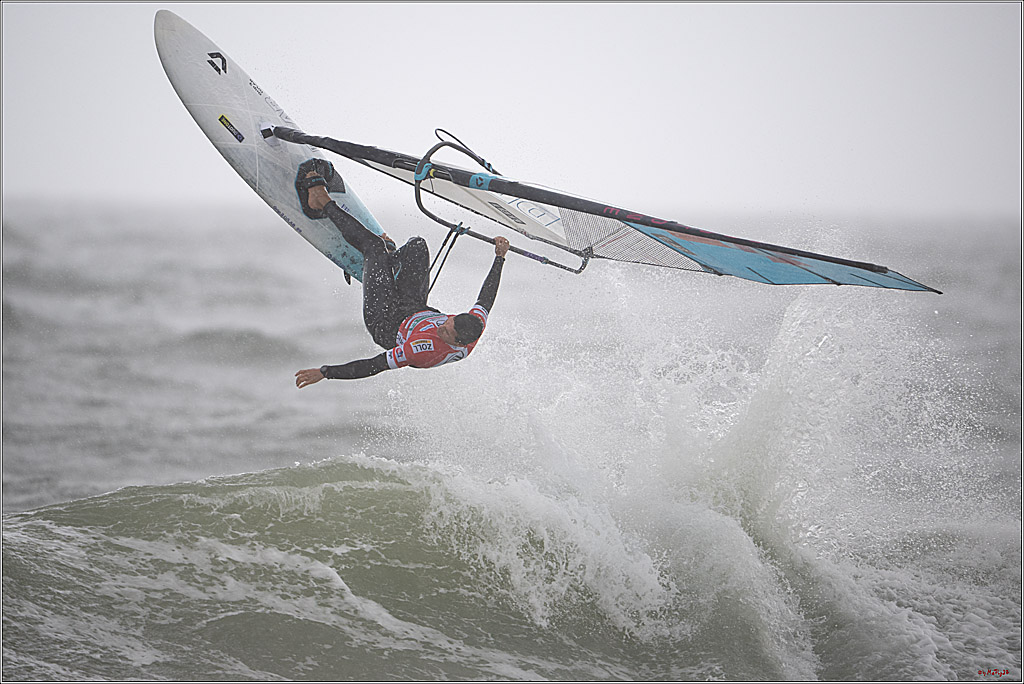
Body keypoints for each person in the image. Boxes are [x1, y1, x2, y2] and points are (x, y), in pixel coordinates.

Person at [292, 159, 510, 387]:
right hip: (414, 306)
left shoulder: (422, 350)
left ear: (456, 343)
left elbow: (373, 365)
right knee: (418, 246)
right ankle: (389, 260)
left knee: (373, 247)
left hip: (384, 320)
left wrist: (325, 372)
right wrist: (499, 257)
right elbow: (486, 298)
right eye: (448, 322)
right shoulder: (474, 324)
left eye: (445, 332)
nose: (441, 327)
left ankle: (320, 201)